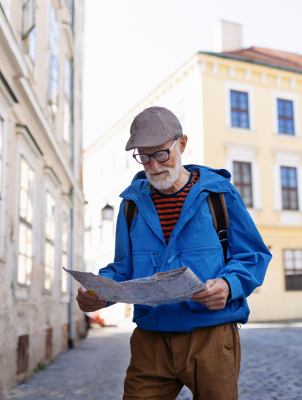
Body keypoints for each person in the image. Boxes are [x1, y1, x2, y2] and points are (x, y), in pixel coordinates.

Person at [76, 106, 271, 400]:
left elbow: (253, 255)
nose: (153, 166)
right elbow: (122, 267)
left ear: (181, 144)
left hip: (212, 336)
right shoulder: (130, 205)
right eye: (144, 156)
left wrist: (229, 285)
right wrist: (99, 290)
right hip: (150, 341)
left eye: (161, 154)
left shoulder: (219, 195)